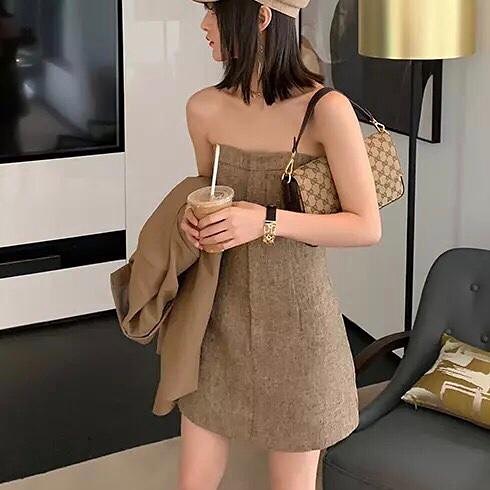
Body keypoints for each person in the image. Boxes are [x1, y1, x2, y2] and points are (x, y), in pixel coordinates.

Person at [178, 1, 382, 489]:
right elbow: (208, 190)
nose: (204, 24)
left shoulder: (326, 110)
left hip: (299, 325)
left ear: (261, 17)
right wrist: (190, 220)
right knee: (193, 479)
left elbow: (365, 226)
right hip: (216, 317)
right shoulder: (203, 108)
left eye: (214, 10)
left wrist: (266, 221)